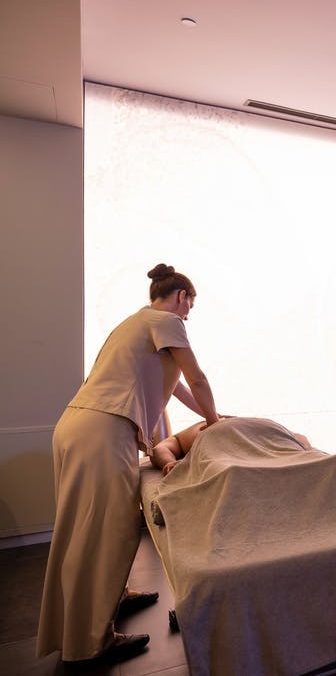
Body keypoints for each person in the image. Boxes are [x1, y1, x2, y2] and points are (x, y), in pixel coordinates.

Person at [37, 263, 221, 665]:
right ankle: (90, 643)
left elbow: (178, 390)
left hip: (75, 427)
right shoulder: (167, 322)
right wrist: (216, 422)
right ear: (181, 297)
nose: (188, 315)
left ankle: (109, 600)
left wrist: (212, 417)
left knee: (81, 530)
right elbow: (199, 380)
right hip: (104, 432)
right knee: (111, 531)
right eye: (190, 306)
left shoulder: (134, 324)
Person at [151, 418, 313, 475]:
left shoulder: (185, 435)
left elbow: (159, 449)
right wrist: (169, 463)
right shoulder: (184, 436)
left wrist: (170, 463)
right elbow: (299, 438)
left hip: (262, 431)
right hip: (265, 429)